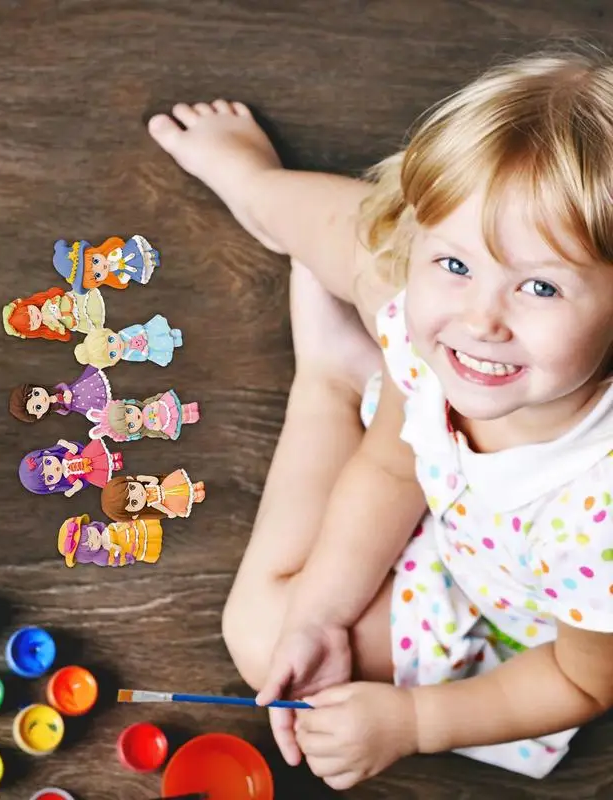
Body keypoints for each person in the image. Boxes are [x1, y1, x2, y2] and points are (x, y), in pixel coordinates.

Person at [147, 48, 613, 788]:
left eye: (541, 287)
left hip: (503, 616)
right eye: (456, 264)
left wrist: (415, 723)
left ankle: (329, 378)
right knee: (366, 247)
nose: (481, 319)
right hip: (445, 488)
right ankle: (258, 186)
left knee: (262, 641)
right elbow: (395, 461)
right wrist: (322, 615)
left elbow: (581, 682)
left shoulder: (599, 521)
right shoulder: (451, 337)